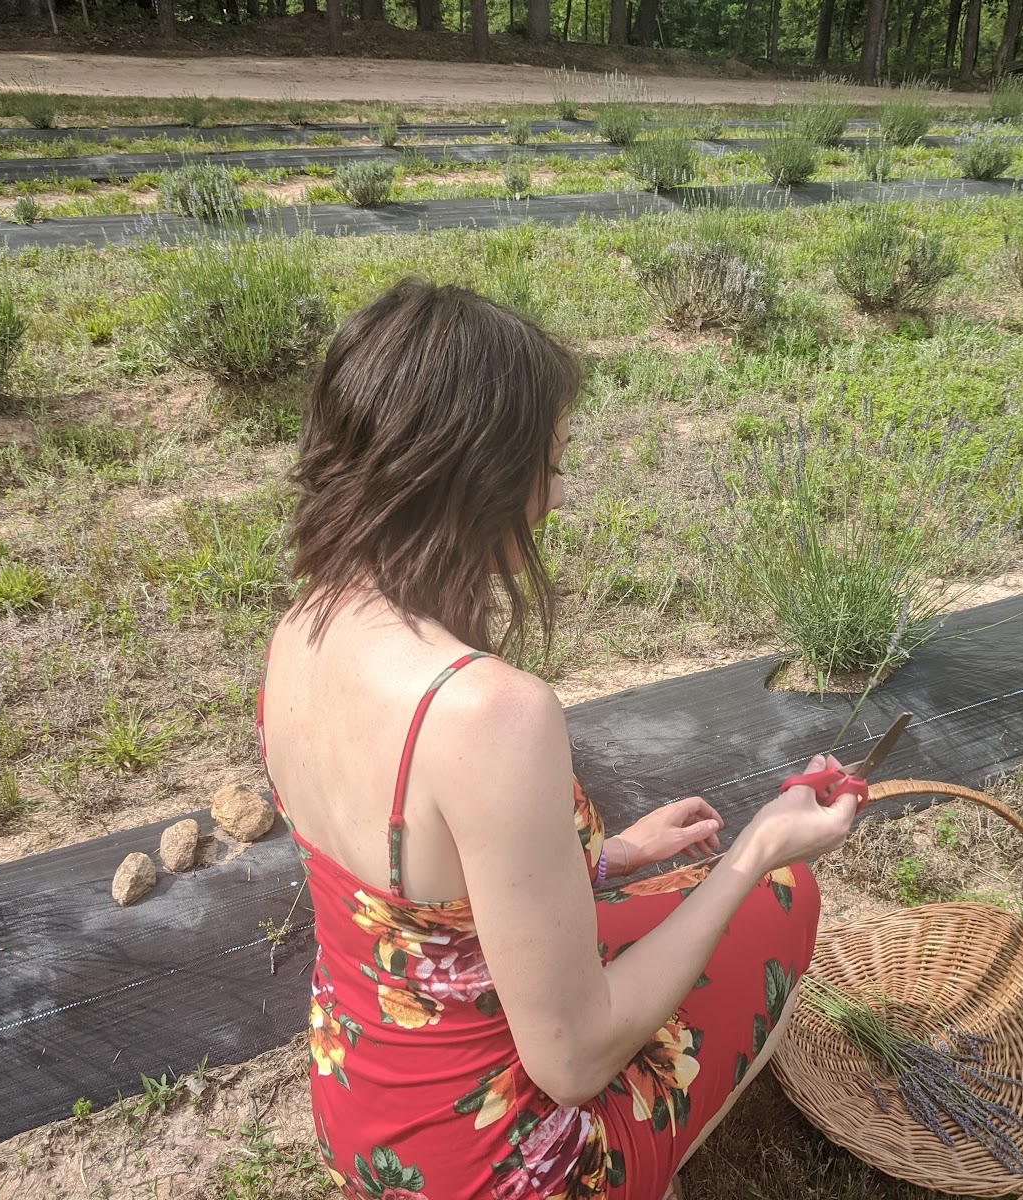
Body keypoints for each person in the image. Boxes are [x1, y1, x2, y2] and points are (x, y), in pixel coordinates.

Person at [256, 278, 857, 1200]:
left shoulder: (300, 630)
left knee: (666, 894)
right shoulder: (486, 712)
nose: (558, 494)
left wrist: (612, 858)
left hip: (364, 1111)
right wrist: (757, 851)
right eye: (553, 461)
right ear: (478, 475)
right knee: (783, 896)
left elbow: (433, 898)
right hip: (500, 1169)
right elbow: (572, 1061)